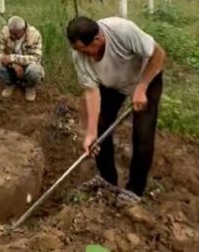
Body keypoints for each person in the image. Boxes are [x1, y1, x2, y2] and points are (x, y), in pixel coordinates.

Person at [66, 16, 165, 204]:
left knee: (142, 133)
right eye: (77, 50)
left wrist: (142, 87)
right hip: (112, 83)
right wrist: (91, 133)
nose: (82, 54)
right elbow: (91, 92)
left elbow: (159, 54)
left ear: (98, 39)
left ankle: (135, 189)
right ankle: (107, 178)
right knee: (101, 124)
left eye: (84, 49)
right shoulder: (79, 54)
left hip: (145, 79)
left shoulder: (123, 31)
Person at [0, 16, 44, 102]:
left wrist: (14, 58)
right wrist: (13, 64)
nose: (12, 36)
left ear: (23, 30)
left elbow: (37, 58)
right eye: (11, 33)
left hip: (28, 67)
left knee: (34, 70)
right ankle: (10, 83)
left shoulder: (34, 35)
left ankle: (29, 86)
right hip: (10, 66)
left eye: (15, 34)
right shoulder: (5, 32)